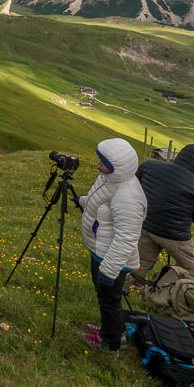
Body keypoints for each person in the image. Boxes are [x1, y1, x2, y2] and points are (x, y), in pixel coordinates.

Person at [76, 137, 147, 355]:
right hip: (101, 250)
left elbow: (126, 238)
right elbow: (100, 202)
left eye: (103, 162)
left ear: (118, 167)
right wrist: (83, 202)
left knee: (109, 300)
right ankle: (110, 329)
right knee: (105, 297)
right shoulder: (109, 179)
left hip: (112, 259)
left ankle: (111, 342)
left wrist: (109, 270)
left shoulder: (128, 196)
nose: (98, 165)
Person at [131, 144, 194, 283]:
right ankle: (161, 291)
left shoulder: (149, 166)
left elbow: (134, 187)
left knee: (140, 262)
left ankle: (127, 288)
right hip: (176, 235)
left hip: (146, 225)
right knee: (190, 270)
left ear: (180, 155)